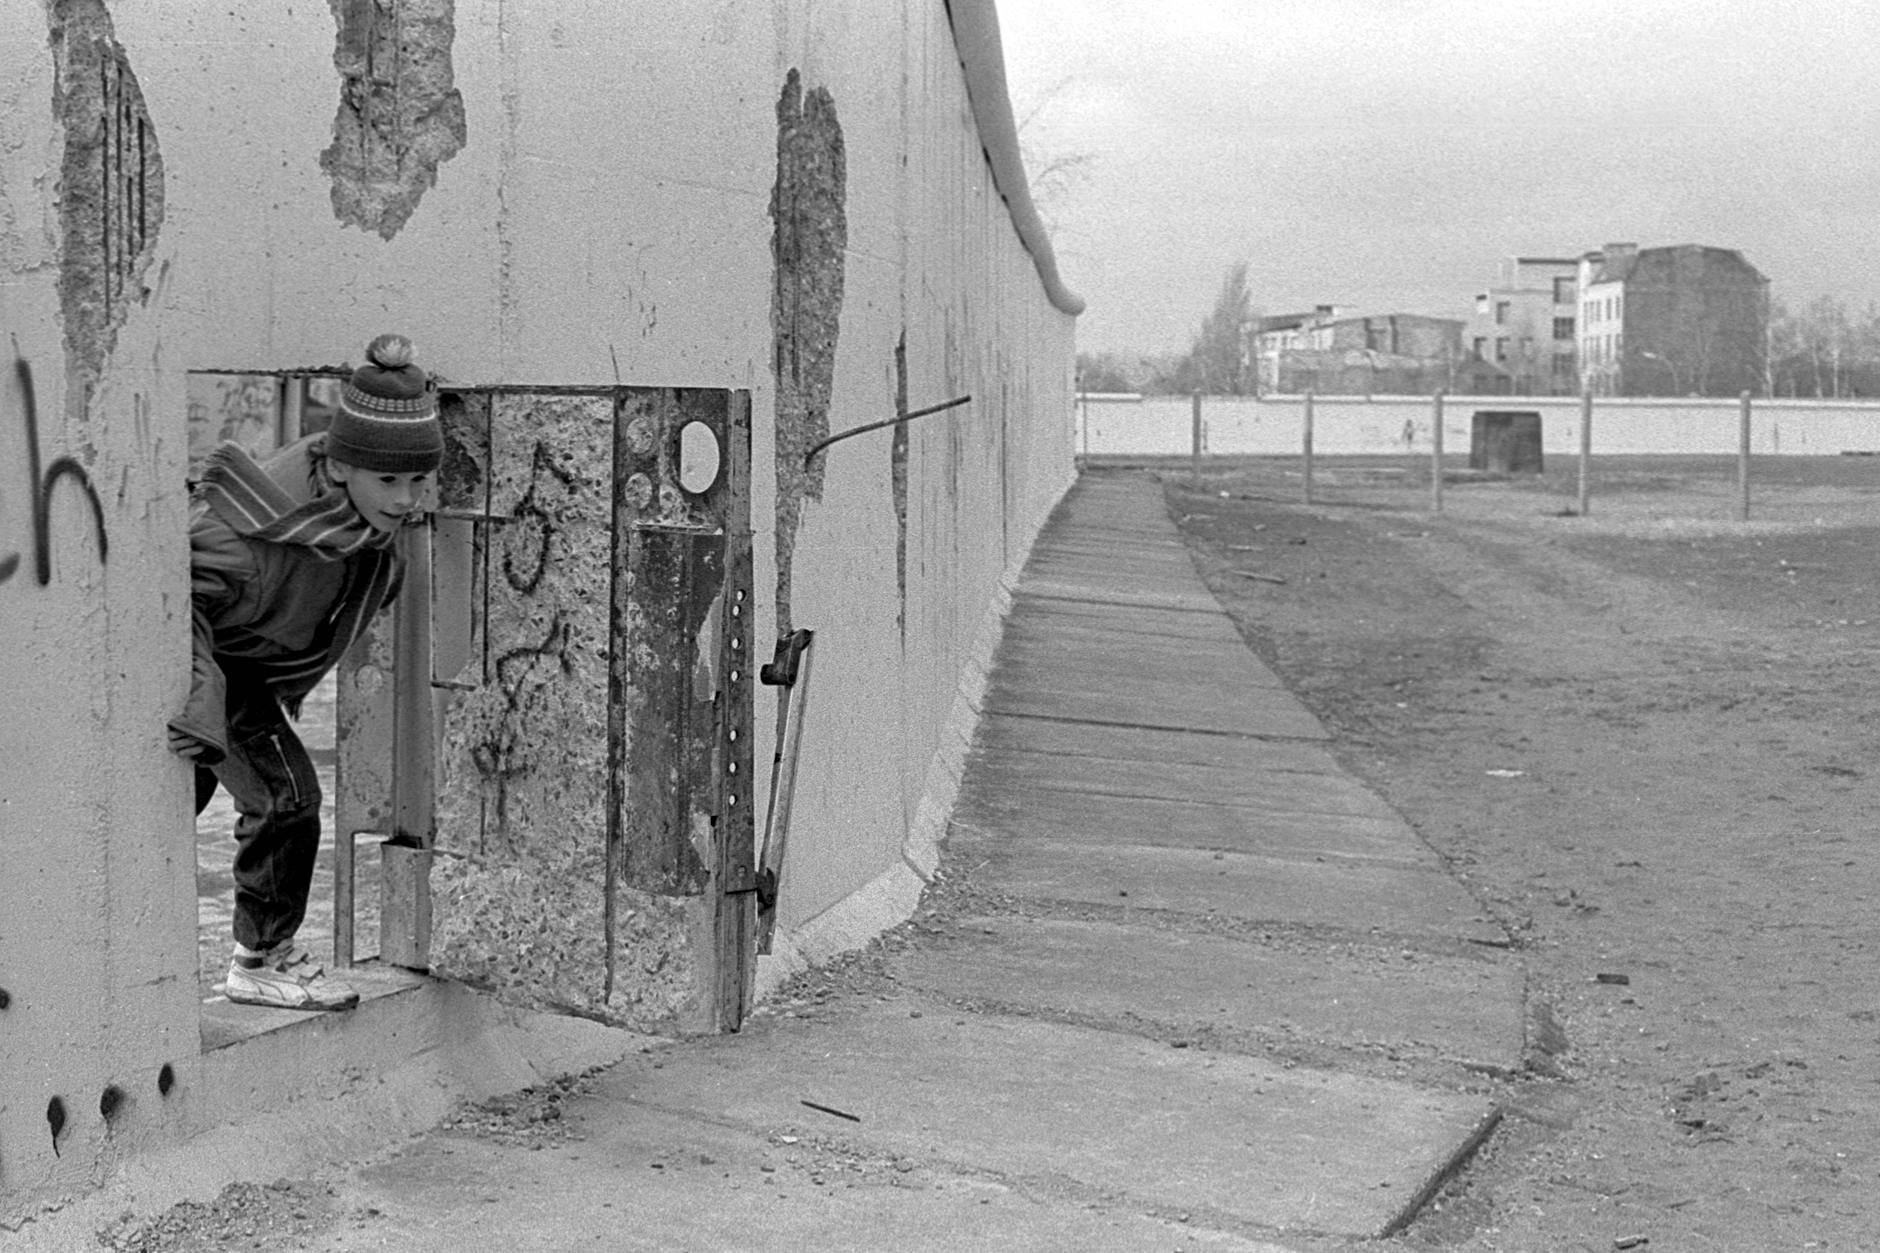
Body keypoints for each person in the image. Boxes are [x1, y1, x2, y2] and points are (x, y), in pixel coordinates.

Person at [169, 333, 443, 1010]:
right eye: (390, 480)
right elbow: (172, 597)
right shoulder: (258, 528)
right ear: (341, 465)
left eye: (417, 480)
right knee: (284, 797)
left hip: (249, 666)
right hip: (211, 667)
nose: (407, 499)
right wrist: (201, 694)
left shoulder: (352, 522)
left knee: (177, 808)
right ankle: (261, 959)